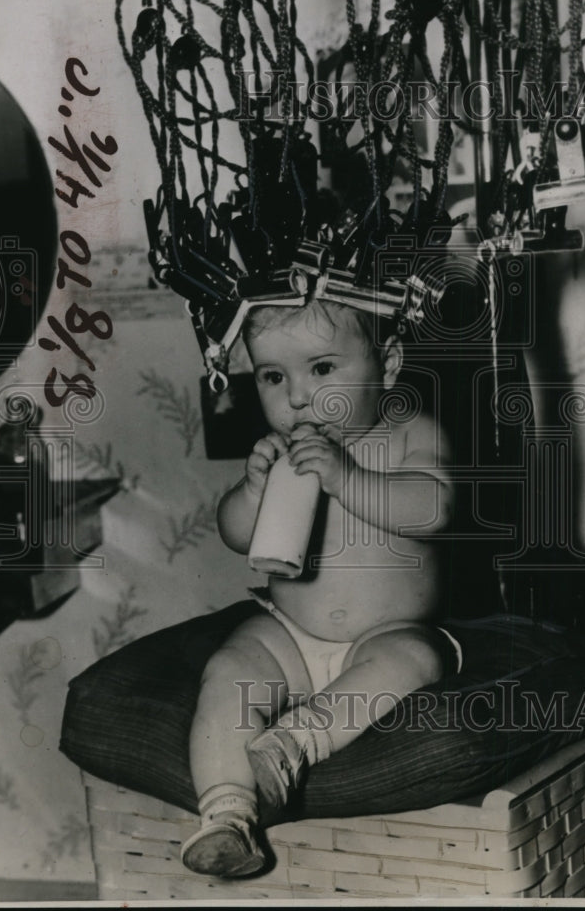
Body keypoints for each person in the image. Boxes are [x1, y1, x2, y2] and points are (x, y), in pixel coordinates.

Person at [181, 297, 460, 877]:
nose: (298, 397)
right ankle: (226, 814)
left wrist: (347, 476)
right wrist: (253, 492)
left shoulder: (413, 433)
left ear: (387, 365)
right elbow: (235, 534)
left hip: (388, 629)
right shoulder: (282, 452)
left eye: (323, 369)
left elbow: (435, 507)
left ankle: (295, 743)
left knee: (414, 657)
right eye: (273, 376)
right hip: (292, 632)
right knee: (231, 666)